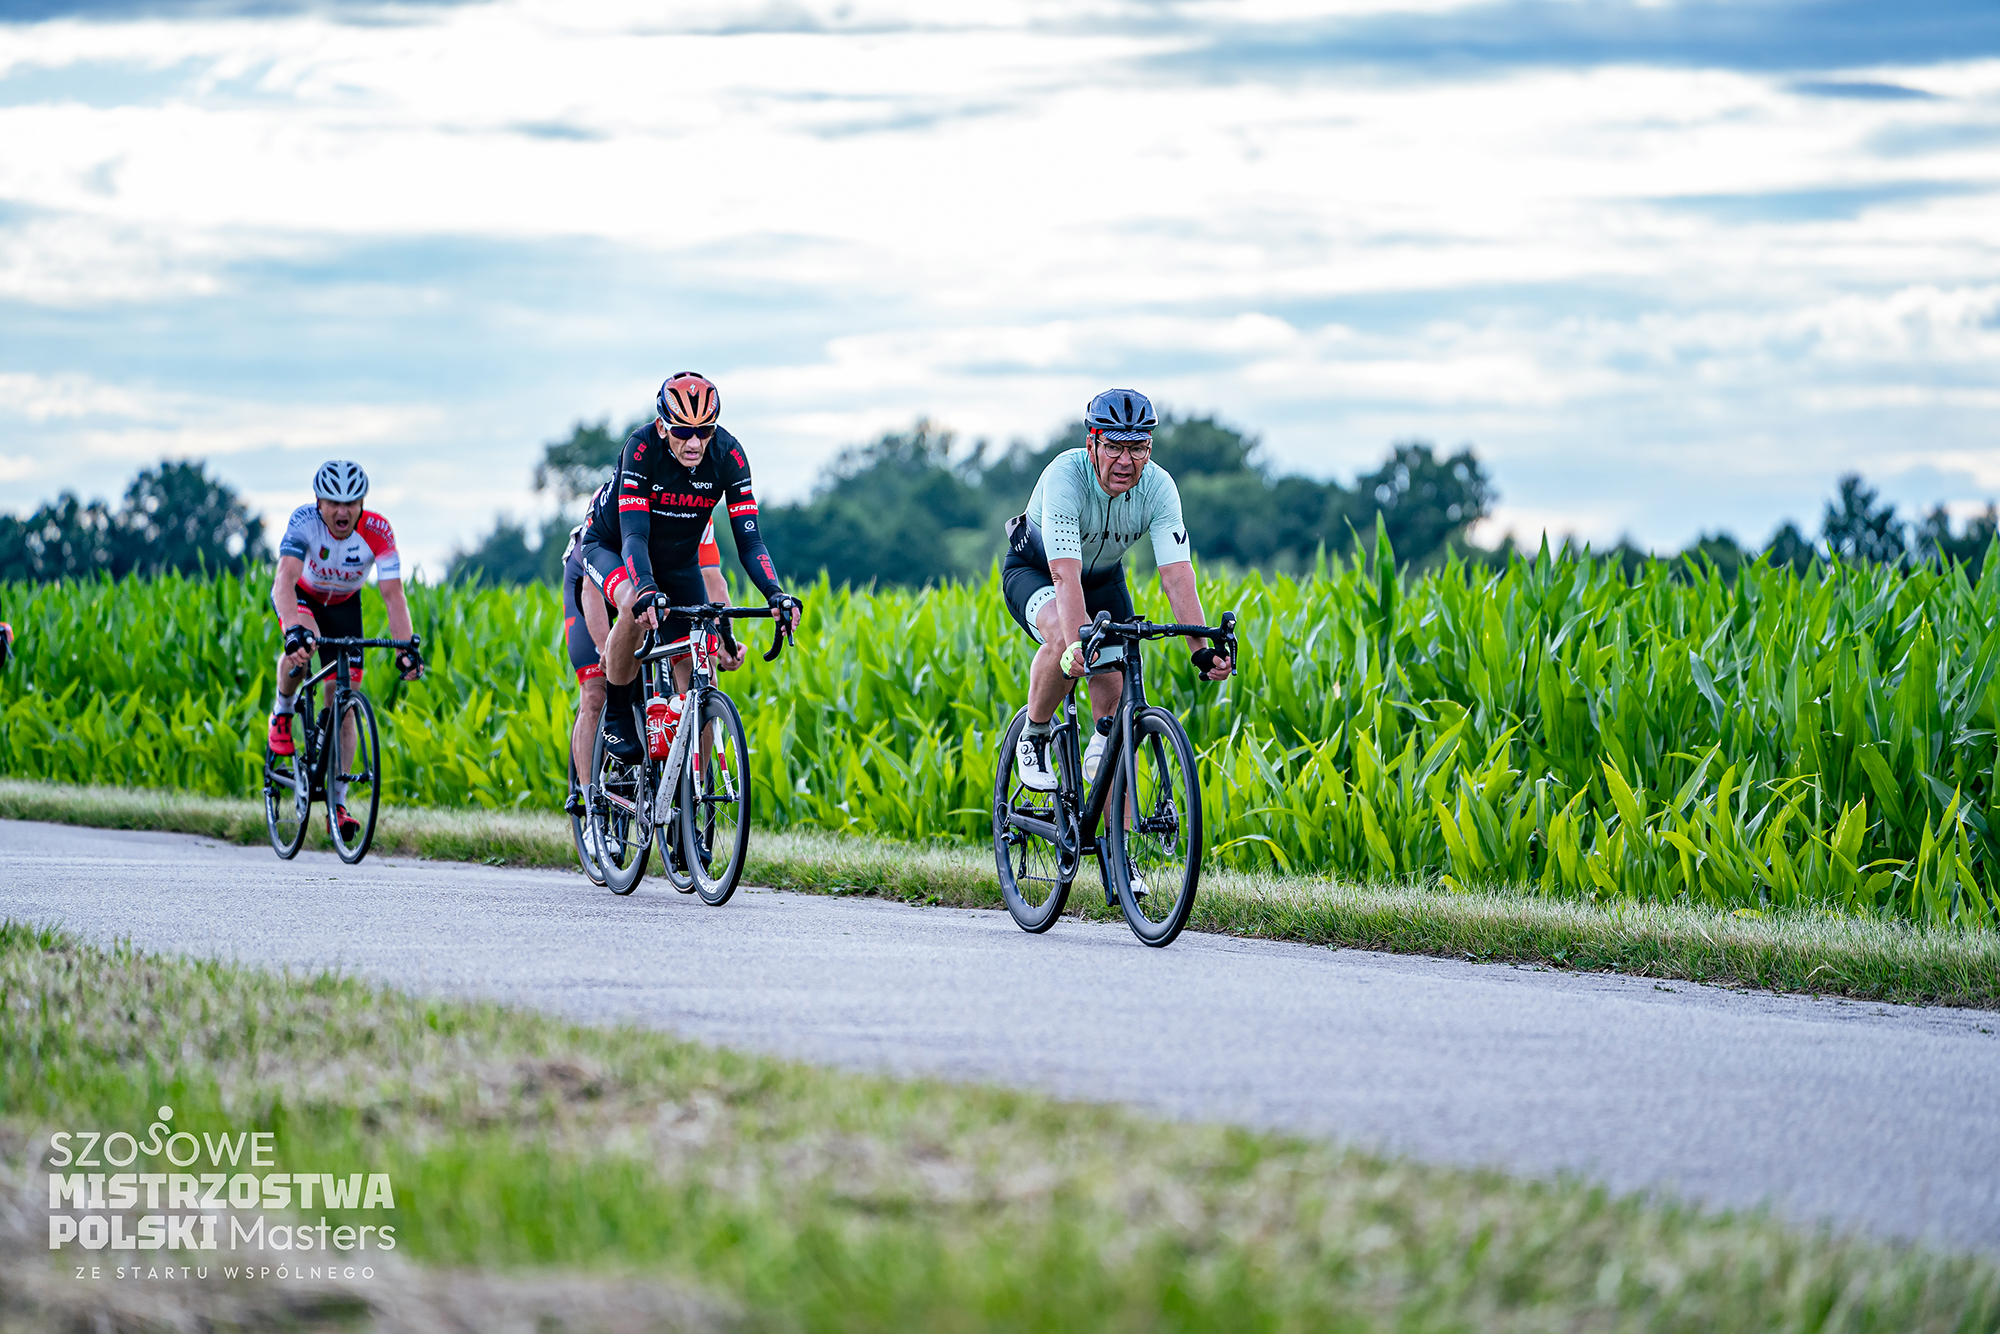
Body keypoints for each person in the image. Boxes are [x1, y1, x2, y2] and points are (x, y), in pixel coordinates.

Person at [1003, 388, 1233, 796]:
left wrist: (1200, 647)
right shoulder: (1065, 476)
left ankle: (1119, 829)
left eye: (1138, 448)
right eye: (1114, 447)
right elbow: (1064, 576)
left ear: (1149, 448)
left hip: (1104, 582)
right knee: (1066, 638)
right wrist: (1078, 644)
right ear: (1091, 443)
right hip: (1037, 573)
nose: (1126, 461)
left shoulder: (1159, 487)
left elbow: (1177, 577)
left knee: (1118, 719)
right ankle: (1034, 734)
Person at [576, 372, 801, 763]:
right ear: (663, 426)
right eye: (683, 431)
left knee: (699, 670)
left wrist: (775, 594)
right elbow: (634, 536)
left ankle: (698, 784)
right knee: (632, 602)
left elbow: (750, 542)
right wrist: (646, 588)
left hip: (677, 563)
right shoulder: (641, 449)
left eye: (705, 431)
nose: (695, 442)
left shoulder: (729, 454)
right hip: (612, 546)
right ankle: (617, 714)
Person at [267, 460, 424, 839]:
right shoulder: (304, 522)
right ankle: (283, 711)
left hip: (344, 606)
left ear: (362, 504)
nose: (342, 512)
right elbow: (284, 580)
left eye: (351, 503)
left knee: (345, 699)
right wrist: (292, 629)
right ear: (318, 502)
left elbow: (393, 595)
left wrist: (405, 648)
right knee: (303, 649)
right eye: (333, 503)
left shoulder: (378, 531)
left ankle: (337, 804)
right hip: (302, 599)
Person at [561, 486, 740, 811]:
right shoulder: (622, 503)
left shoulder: (693, 508)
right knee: (597, 691)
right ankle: (590, 800)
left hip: (658, 582)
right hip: (597, 582)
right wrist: (605, 648)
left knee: (698, 675)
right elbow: (590, 589)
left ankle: (689, 802)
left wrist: (726, 640)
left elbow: (712, 579)